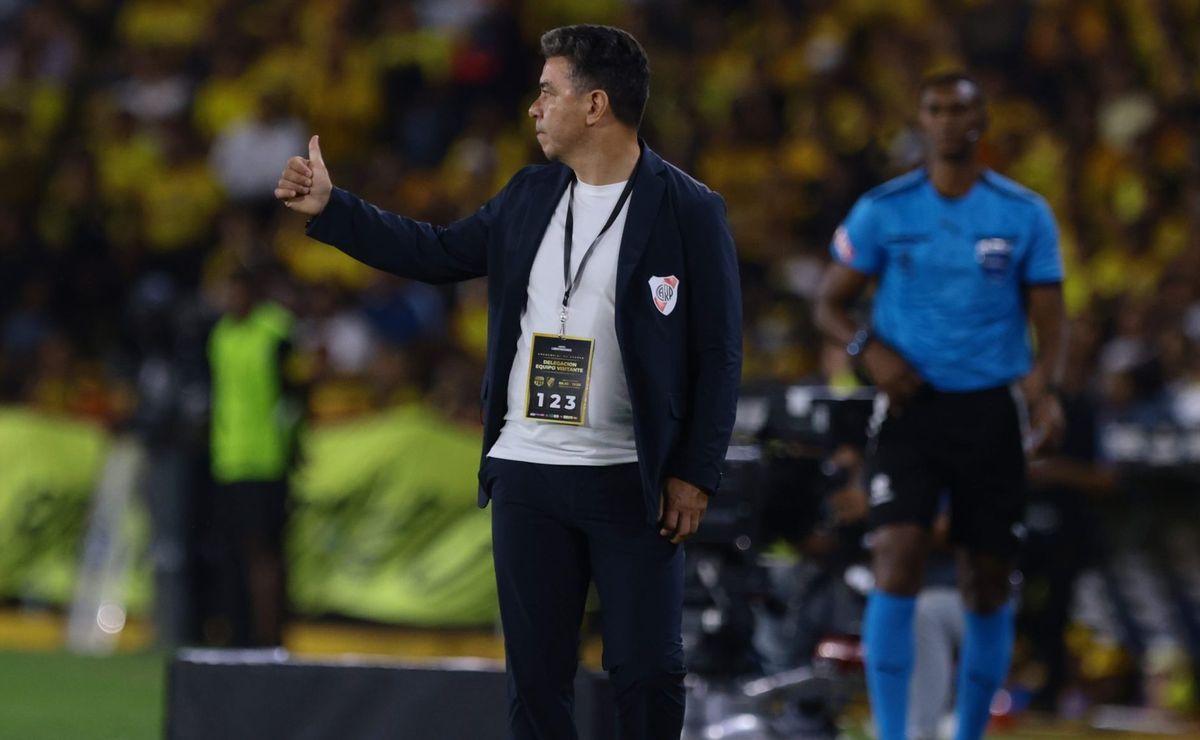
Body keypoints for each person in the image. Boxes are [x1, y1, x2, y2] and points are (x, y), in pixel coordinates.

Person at [274, 24, 741, 740]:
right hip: (527, 474)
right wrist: (335, 210)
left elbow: (720, 351)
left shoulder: (689, 208)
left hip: (632, 479)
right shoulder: (528, 193)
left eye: (548, 92)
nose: (533, 107)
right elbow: (436, 252)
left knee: (648, 670)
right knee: (536, 680)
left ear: (595, 105)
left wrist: (695, 473)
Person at [815, 72, 1067, 740]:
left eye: (960, 109)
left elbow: (1050, 315)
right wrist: (869, 349)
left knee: (987, 581)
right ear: (921, 120)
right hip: (911, 410)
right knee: (895, 557)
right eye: (936, 109)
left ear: (981, 121)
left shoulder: (1023, 213)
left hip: (991, 410)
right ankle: (894, 735)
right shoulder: (884, 210)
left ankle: (969, 732)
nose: (949, 120)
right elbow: (828, 303)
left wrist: (1045, 389)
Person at [207, 269, 298, 647]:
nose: (231, 299)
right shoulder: (220, 335)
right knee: (232, 553)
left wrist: (295, 443)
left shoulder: (276, 331)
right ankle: (239, 636)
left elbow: (296, 391)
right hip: (228, 460)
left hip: (266, 458)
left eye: (237, 292)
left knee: (264, 552)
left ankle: (269, 639)